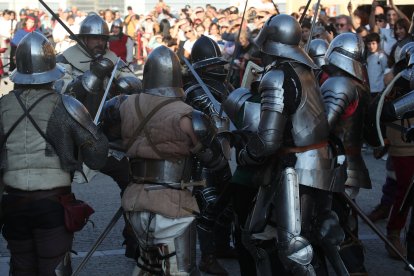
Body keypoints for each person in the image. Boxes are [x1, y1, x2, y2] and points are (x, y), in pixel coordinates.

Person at [104, 45, 230, 275]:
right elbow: (215, 162)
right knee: (181, 270)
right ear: (176, 76)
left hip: (135, 202)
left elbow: (106, 141)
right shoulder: (189, 116)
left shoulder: (123, 105)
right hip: (173, 206)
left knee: (149, 269)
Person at [238, 14, 348, 275]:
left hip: (295, 167)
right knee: (316, 234)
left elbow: (267, 141)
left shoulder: (276, 77)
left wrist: (245, 155)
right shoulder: (306, 70)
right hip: (319, 159)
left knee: (290, 248)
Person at [0, 32, 108, 276]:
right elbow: (97, 155)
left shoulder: (2, 106)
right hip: (51, 204)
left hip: (12, 203)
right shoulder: (66, 105)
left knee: (21, 267)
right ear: (51, 70)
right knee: (55, 268)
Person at [55, 12, 142, 258]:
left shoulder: (113, 58)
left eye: (103, 38)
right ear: (82, 38)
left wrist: (122, 83)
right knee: (57, 190)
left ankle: (134, 238)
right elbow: (62, 93)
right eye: (94, 39)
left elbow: (135, 84)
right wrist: (92, 76)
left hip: (104, 137)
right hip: (70, 138)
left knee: (133, 180)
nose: (100, 44)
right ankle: (57, 245)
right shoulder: (63, 60)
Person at [320, 32, 372, 274]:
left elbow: (322, 126)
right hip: (347, 163)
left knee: (337, 224)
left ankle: (355, 268)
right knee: (343, 220)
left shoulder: (340, 85)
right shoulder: (359, 84)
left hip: (339, 165)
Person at [184, 35, 234, 275]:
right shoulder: (193, 91)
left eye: (218, 63)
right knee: (209, 205)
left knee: (228, 204)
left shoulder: (226, 87)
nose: (217, 68)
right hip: (201, 158)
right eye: (212, 65)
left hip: (224, 153)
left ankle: (223, 246)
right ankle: (208, 257)